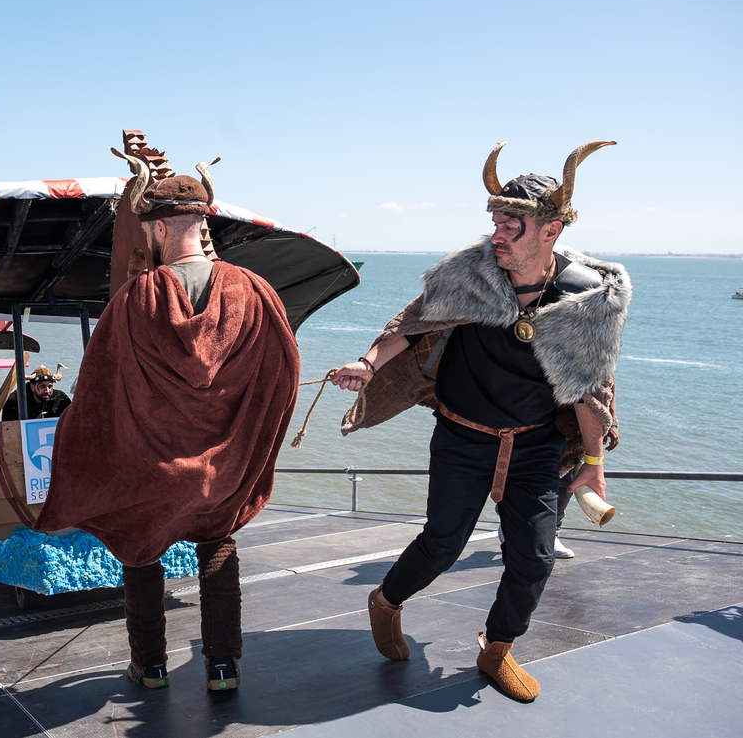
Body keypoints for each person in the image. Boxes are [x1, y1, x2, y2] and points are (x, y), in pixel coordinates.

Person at [331, 141, 630, 703]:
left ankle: (497, 649)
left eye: (512, 225)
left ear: (551, 229)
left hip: (537, 446)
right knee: (443, 543)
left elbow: (593, 392)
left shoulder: (585, 294)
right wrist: (369, 363)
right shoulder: (470, 273)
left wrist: (593, 463)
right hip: (462, 436)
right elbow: (412, 322)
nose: (496, 234)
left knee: (535, 557)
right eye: (495, 221)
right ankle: (386, 601)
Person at [33, 139, 299, 692]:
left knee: (139, 548)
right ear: (203, 222)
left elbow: (98, 395)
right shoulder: (256, 292)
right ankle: (223, 667)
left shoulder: (134, 299)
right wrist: (246, 449)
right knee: (218, 545)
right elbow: (283, 378)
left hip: (152, 469)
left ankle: (150, 666)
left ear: (155, 229)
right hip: (224, 468)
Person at [0, 367, 71, 421]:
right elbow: (8, 429)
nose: (47, 390)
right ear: (32, 387)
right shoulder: (15, 401)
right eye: (42, 386)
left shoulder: (61, 399)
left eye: (50, 386)